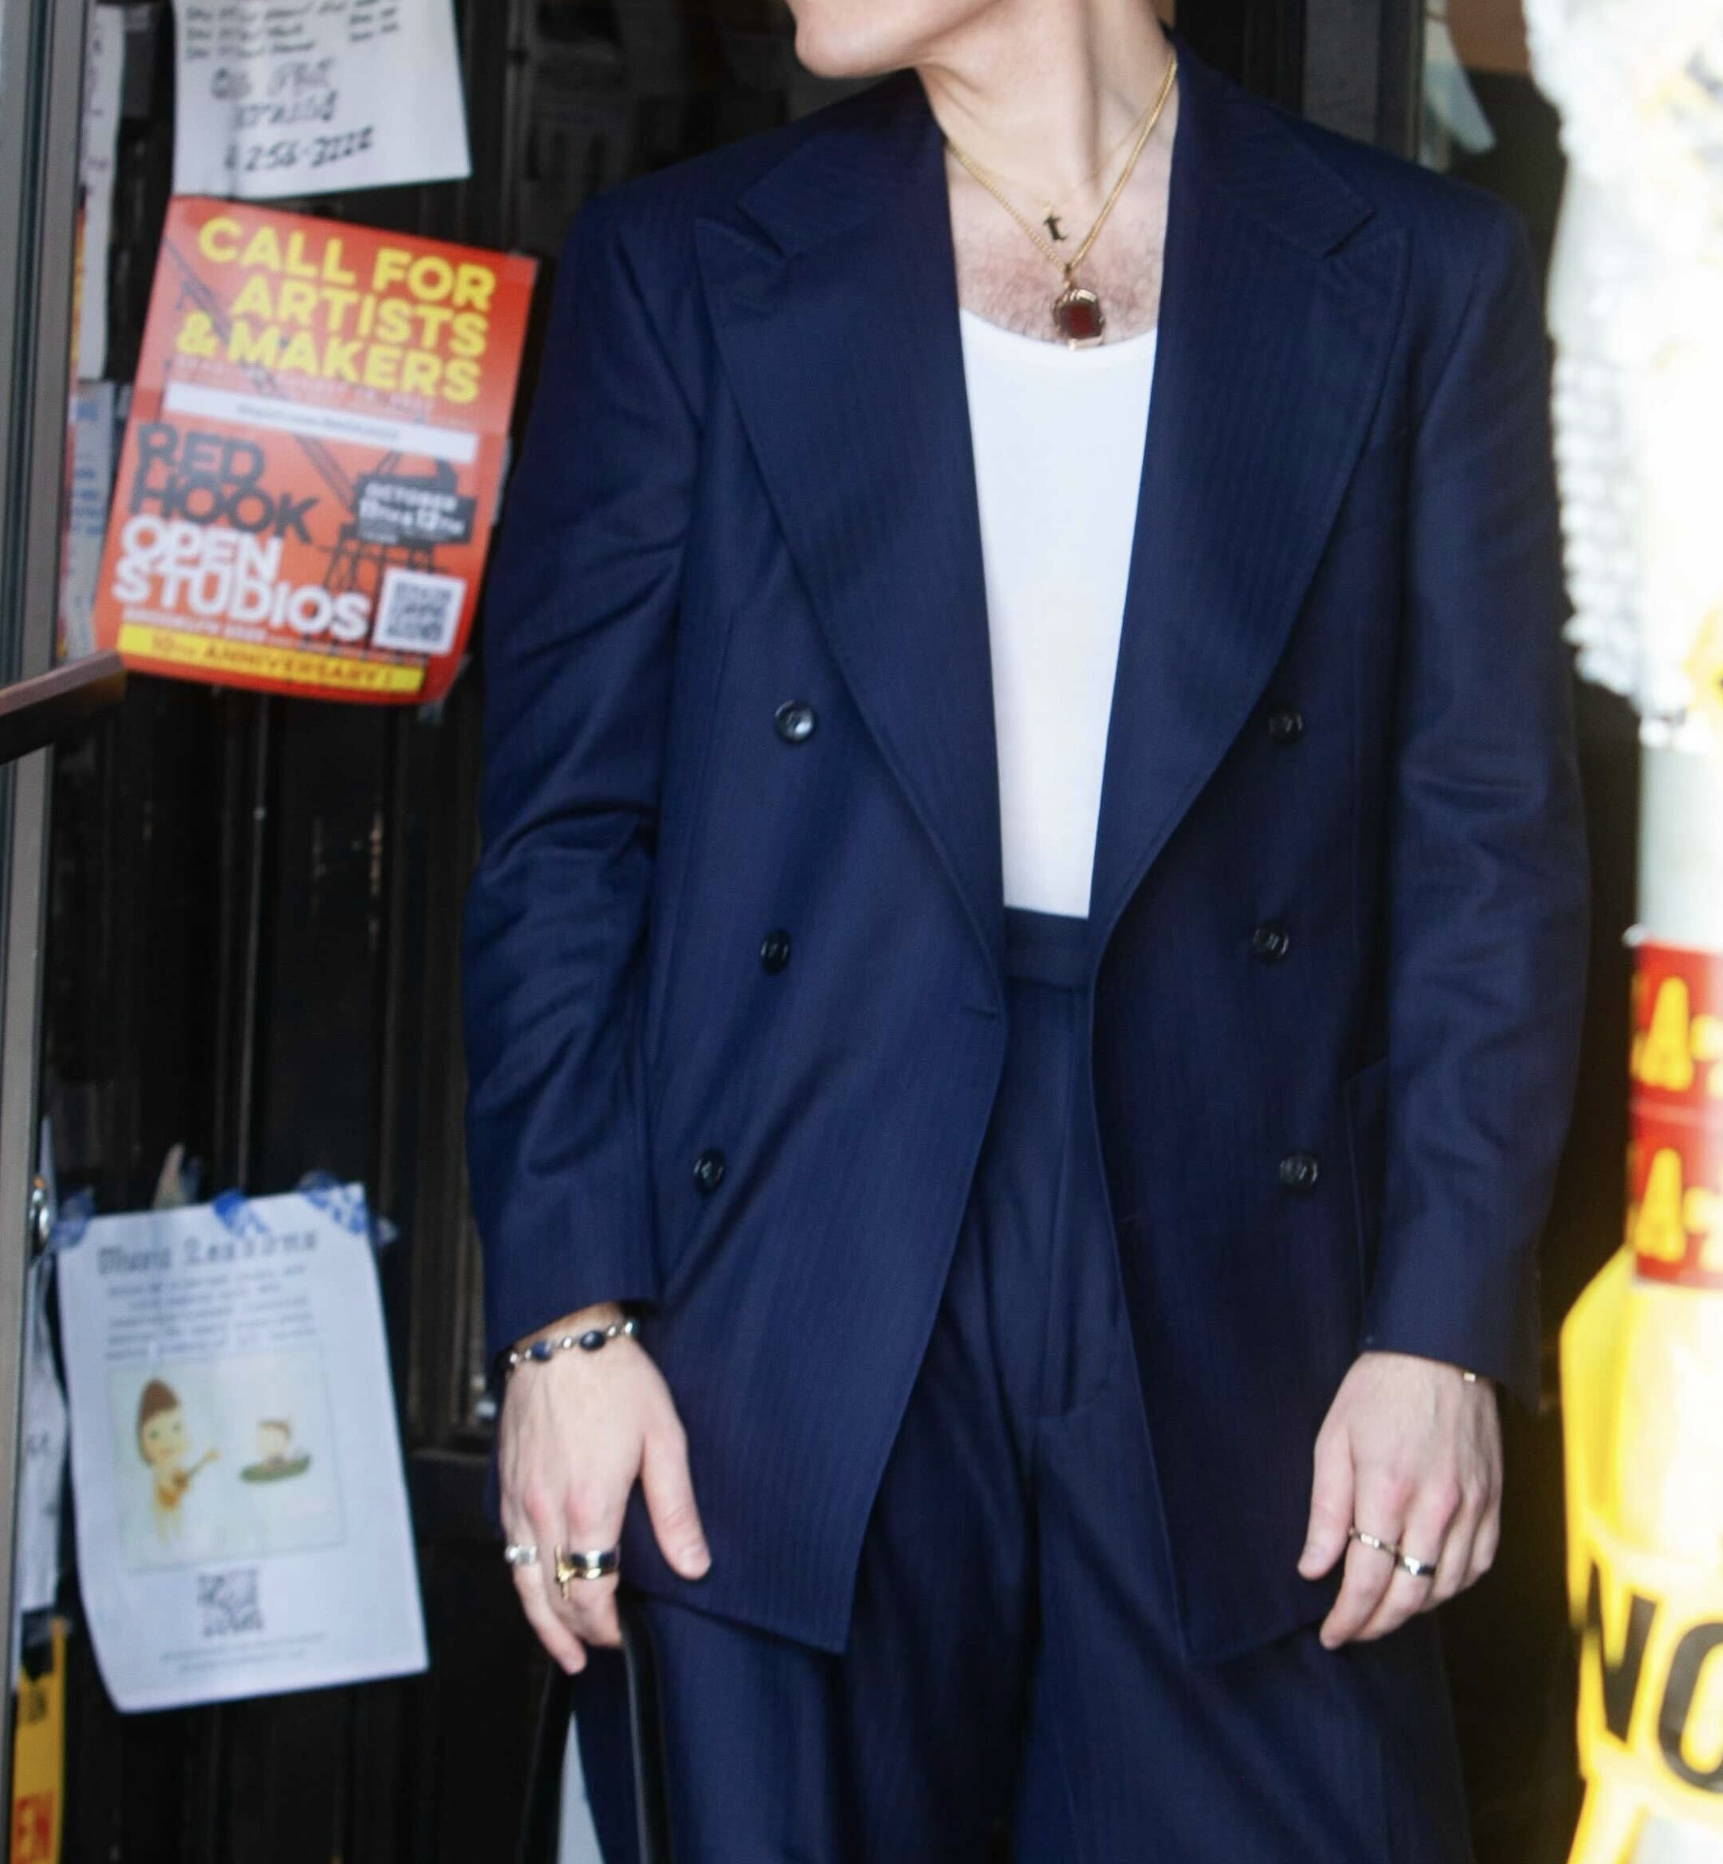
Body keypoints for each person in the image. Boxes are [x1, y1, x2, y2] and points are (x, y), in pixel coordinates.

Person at [460, 1, 1589, 1855]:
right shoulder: (686, 264)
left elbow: (1487, 845)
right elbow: (563, 838)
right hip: (790, 1247)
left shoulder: (1409, 268)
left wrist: (1440, 1325)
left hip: (1250, 1269)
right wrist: (564, 1330)